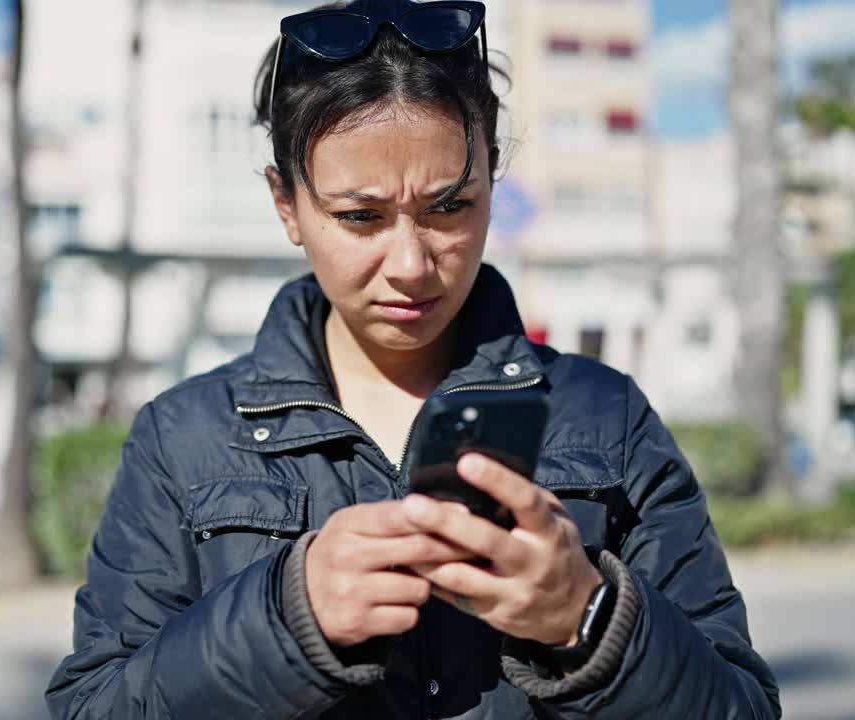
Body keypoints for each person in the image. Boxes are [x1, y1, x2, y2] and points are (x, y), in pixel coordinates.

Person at [46, 0, 781, 717]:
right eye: (360, 217)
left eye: (450, 208)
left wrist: (587, 620)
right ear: (285, 203)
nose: (410, 264)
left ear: (493, 177)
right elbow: (94, 706)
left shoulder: (603, 416)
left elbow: (741, 705)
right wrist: (286, 617)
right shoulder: (183, 439)